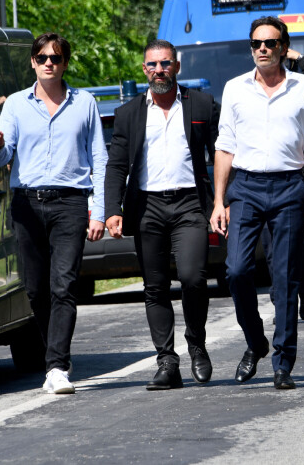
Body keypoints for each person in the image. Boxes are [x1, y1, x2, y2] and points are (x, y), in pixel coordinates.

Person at [210, 16, 304, 390]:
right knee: (237, 270)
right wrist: (218, 200)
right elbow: (224, 146)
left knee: (285, 279)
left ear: (283, 47)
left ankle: (283, 362)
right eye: (257, 43)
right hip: (245, 187)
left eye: (271, 42)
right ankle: (255, 341)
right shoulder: (234, 88)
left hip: (288, 187)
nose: (263, 48)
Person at [0, 32, 107, 394]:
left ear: (65, 63)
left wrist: (98, 211)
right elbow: (0, 158)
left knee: (64, 285)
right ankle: (53, 354)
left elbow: (99, 159)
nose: (48, 63)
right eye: (42, 58)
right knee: (36, 290)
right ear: (33, 63)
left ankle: (56, 365)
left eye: (55, 57)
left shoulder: (84, 103)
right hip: (27, 203)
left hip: (70, 203)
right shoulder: (18, 105)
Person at [105, 39, 218, 390]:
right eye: (152, 65)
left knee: (193, 278)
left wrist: (222, 202)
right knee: (154, 286)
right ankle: (167, 361)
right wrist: (112, 210)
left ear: (177, 67)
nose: (159, 71)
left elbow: (222, 153)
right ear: (144, 70)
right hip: (148, 207)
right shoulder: (129, 113)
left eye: (165, 64)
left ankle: (196, 344)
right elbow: (116, 165)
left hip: (189, 204)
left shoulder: (201, 104)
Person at [261, 47, 304, 321]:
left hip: (298, 180)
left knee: (301, 244)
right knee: (271, 249)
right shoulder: (251, 89)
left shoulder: (301, 88)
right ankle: (280, 301)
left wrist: (300, 58)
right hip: (264, 183)